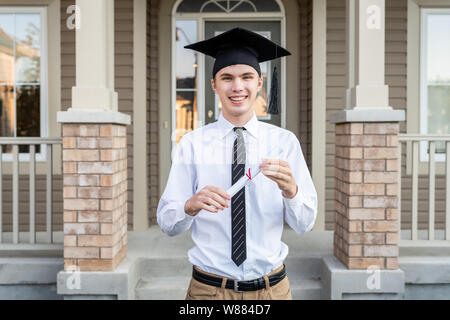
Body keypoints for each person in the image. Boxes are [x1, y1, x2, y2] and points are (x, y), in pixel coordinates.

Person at [157, 27, 318, 300]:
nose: (237, 86)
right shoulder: (193, 144)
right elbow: (167, 223)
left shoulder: (284, 143)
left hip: (272, 291)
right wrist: (190, 205)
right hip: (209, 291)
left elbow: (305, 225)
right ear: (214, 85)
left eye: (247, 77)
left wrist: (292, 192)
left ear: (259, 83)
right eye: (227, 78)